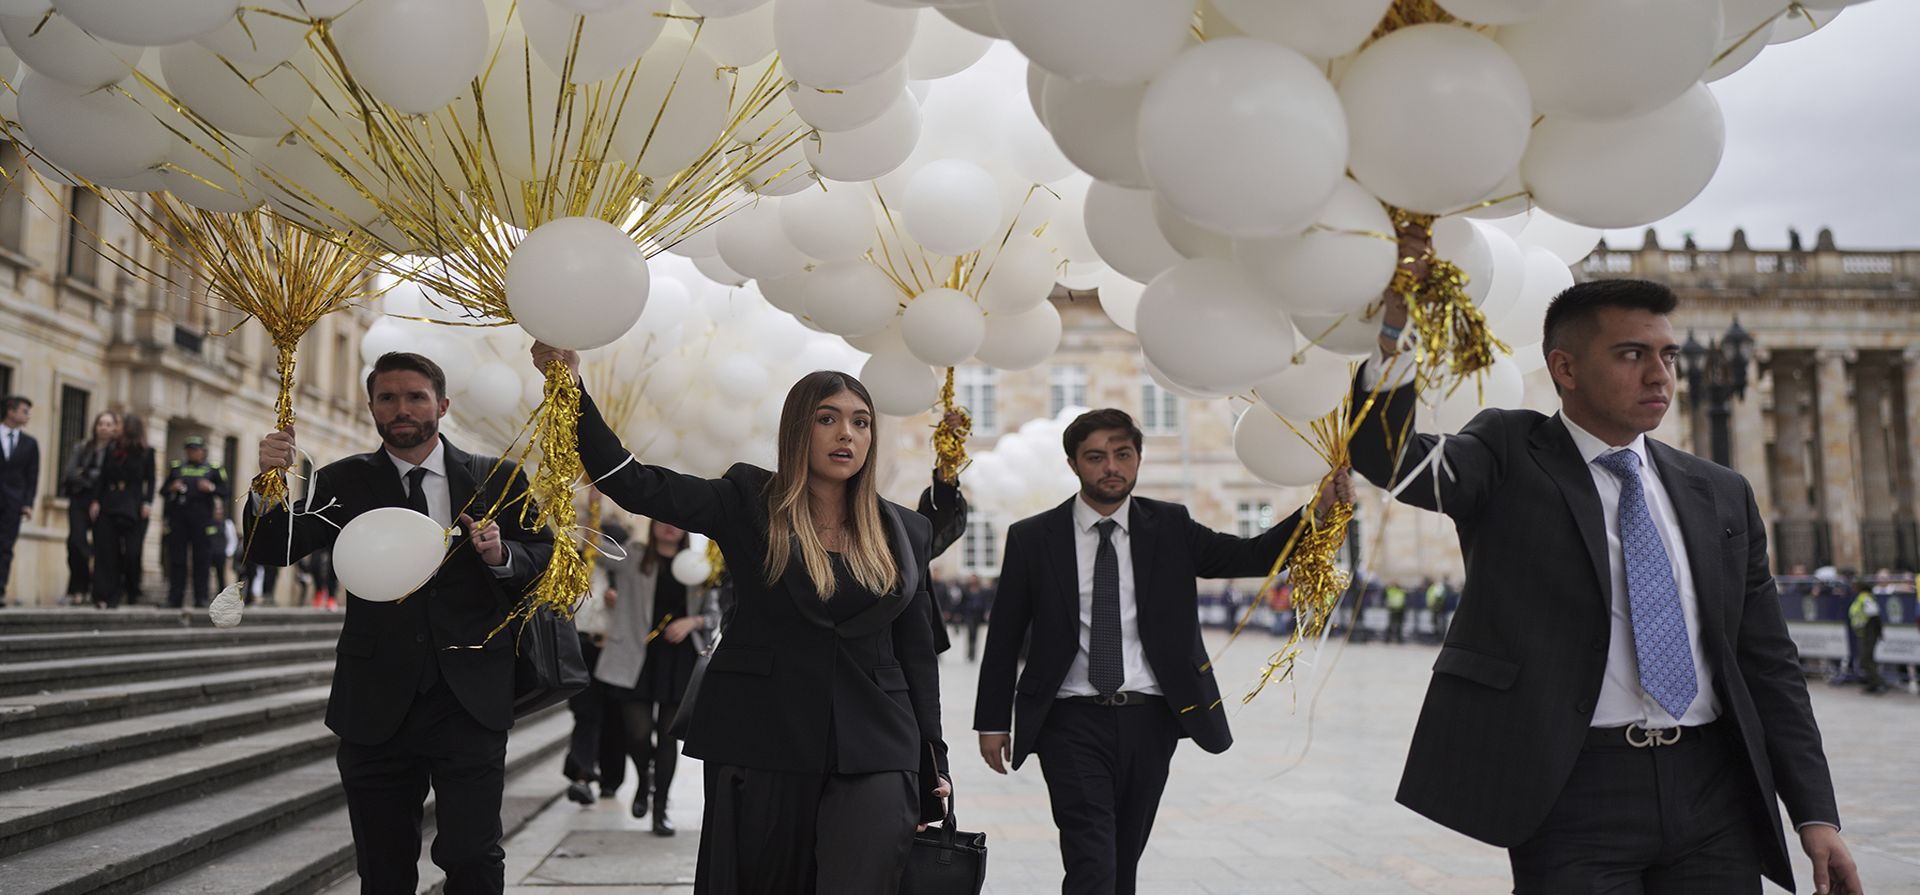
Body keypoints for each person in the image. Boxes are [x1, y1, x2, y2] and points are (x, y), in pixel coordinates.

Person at [1351, 274, 1860, 894]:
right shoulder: (1509, 453)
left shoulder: (1719, 491)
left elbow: (1767, 663)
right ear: (1564, 368)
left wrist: (1814, 812)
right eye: (1631, 355)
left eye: (1667, 355)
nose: (1660, 376)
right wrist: (1394, 332)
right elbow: (1390, 459)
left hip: (1713, 788)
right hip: (1576, 790)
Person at [537, 341, 949, 894]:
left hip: (877, 741)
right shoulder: (747, 501)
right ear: (798, 429)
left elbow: (917, 655)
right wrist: (570, 387)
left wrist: (933, 760)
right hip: (764, 734)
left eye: (860, 422)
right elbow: (631, 483)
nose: (846, 434)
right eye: (827, 419)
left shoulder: (906, 530)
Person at [973, 407, 1349, 895]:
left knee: (1123, 860)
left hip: (1150, 718)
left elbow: (1251, 555)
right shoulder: (1033, 537)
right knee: (1092, 861)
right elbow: (1003, 635)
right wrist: (993, 720)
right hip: (1068, 720)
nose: (1111, 466)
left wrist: (1314, 512)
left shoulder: (1169, 525)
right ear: (1073, 465)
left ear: (1138, 458)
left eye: (1123, 454)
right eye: (1096, 456)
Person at [248, 351, 554, 895]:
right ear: (371, 407)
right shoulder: (343, 481)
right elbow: (274, 547)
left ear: (442, 404)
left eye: (415, 396)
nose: (402, 408)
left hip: (469, 701)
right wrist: (266, 483)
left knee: (472, 855)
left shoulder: (498, 479)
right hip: (374, 705)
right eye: (387, 398)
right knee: (383, 867)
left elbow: (542, 556)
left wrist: (500, 553)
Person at [596, 519, 717, 835]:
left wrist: (693, 621)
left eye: (677, 522)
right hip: (637, 657)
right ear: (651, 526)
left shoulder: (699, 565)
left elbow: (716, 613)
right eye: (662, 520)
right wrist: (590, 505)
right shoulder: (634, 555)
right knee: (636, 734)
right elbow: (593, 549)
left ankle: (660, 809)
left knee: (667, 738)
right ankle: (644, 778)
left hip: (679, 659)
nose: (669, 527)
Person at [89, 413, 156, 610]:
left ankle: (132, 588)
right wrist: (95, 500)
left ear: (129, 427)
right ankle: (105, 595)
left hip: (133, 507)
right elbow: (102, 477)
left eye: (117, 424)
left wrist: (147, 503)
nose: (114, 427)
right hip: (109, 504)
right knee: (106, 551)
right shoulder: (111, 449)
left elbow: (150, 480)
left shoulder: (147, 452)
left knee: (132, 552)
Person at [162, 435, 230, 608]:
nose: (193, 453)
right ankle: (174, 598)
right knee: (177, 559)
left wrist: (211, 488)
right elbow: (163, 490)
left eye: (196, 449)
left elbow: (226, 491)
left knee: (202, 560)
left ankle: (201, 598)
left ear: (203, 451)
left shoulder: (213, 469)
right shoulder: (177, 468)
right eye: (190, 449)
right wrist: (172, 487)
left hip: (202, 520)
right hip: (179, 519)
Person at [61, 411, 117, 604]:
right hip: (79, 499)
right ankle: (78, 587)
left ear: (115, 428)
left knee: (102, 548)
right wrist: (91, 478)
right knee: (76, 543)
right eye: (101, 423)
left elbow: (110, 478)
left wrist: (85, 475)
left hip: (102, 502)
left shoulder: (116, 451)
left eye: (108, 424)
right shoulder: (82, 447)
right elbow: (70, 473)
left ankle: (98, 591)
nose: (104, 427)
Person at [0, 395, 38, 604]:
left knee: (5, 546)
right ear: (10, 411)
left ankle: (0, 589)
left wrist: (28, 504)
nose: (28, 416)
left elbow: (32, 476)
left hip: (13, 503)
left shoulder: (30, 444)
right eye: (25, 411)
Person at [1848, 585, 1886, 695]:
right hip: (1863, 633)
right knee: (1866, 659)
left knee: (1866, 659)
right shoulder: (1861, 598)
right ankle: (1873, 683)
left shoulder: (1865, 598)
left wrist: (1878, 632)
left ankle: (1878, 683)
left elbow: (1874, 615)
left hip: (1869, 632)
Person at [960, 574, 993, 662]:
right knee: (970, 633)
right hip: (969, 614)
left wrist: (986, 611)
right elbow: (962, 603)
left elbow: (986, 602)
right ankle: (970, 653)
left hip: (978, 614)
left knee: (976, 634)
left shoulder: (982, 591)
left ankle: (973, 653)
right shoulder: (966, 590)